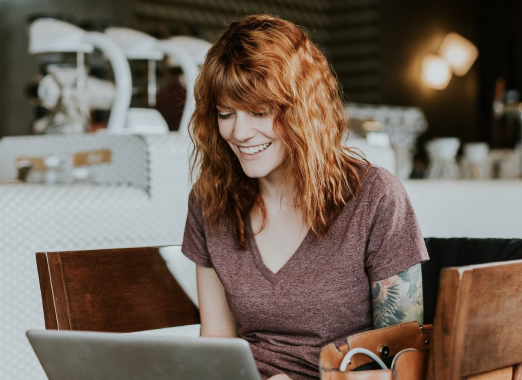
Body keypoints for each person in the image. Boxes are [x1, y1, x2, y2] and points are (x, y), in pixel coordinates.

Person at [181, 14, 429, 380]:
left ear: (302, 110)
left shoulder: (375, 197)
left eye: (260, 112)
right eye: (225, 113)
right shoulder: (210, 201)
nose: (239, 132)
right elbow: (216, 344)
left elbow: (406, 365)